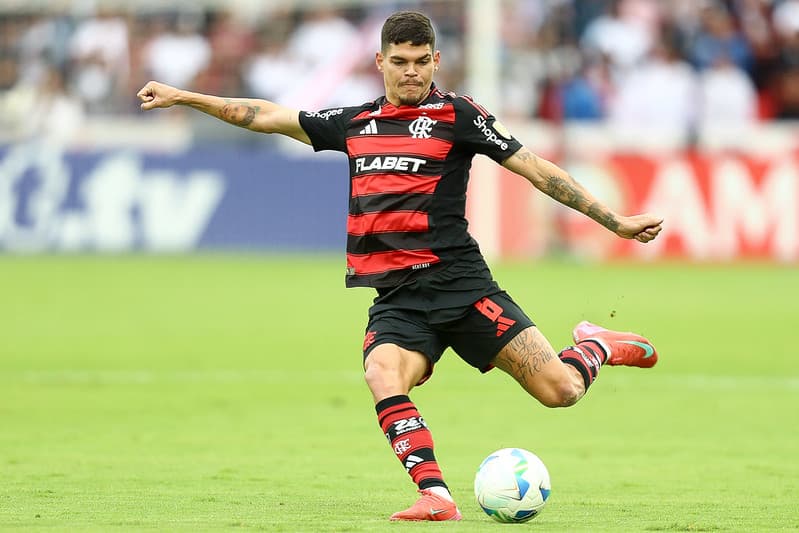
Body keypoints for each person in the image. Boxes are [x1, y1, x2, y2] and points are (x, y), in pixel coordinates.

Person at [137, 11, 663, 522]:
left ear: (436, 61)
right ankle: (436, 496)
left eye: (420, 61)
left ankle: (597, 344)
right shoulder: (354, 123)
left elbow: (536, 169)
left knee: (561, 392)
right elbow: (267, 116)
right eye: (400, 61)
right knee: (382, 373)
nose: (411, 71)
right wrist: (185, 96)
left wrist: (613, 220)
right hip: (399, 299)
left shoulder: (460, 116)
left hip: (463, 287)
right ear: (380, 62)